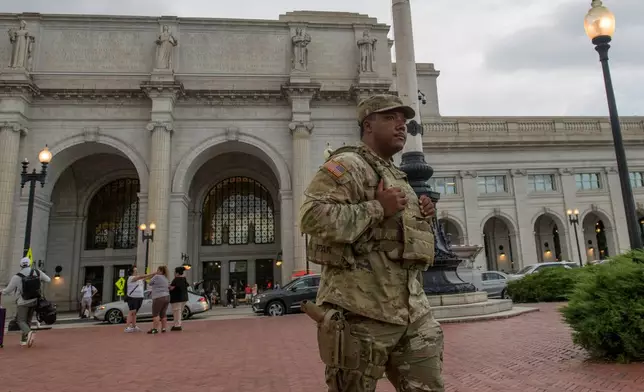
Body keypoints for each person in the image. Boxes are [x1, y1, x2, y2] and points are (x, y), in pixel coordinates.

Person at [299, 94, 444, 392]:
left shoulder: (396, 174)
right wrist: (377, 208)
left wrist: (425, 214)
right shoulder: (346, 165)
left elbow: (399, 234)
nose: (401, 125)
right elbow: (312, 217)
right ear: (368, 125)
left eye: (403, 120)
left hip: (412, 312)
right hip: (361, 312)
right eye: (391, 118)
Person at [0, 257, 51, 347]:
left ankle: (29, 332)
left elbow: (8, 290)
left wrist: (1, 291)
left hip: (23, 301)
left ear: (20, 265)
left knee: (20, 320)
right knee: (28, 320)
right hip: (35, 300)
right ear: (30, 264)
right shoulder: (37, 272)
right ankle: (24, 340)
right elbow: (48, 279)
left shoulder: (17, 276)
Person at [124, 266, 150, 333]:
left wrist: (154, 275)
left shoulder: (139, 279)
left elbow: (146, 278)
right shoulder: (131, 278)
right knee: (131, 312)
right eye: (135, 270)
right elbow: (141, 276)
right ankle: (127, 327)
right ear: (132, 272)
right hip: (132, 297)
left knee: (135, 313)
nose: (137, 272)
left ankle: (134, 326)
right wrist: (153, 273)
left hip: (139, 297)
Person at [148, 265, 170, 334]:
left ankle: (155, 329)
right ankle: (163, 328)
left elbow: (150, 283)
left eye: (157, 270)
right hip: (167, 296)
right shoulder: (166, 278)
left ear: (160, 271)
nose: (156, 271)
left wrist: (154, 275)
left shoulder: (157, 276)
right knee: (163, 313)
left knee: (156, 314)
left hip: (158, 297)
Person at [169, 266, 189, 331]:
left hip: (176, 298)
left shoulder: (176, 279)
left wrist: (168, 287)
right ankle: (178, 324)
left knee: (176, 312)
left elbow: (172, 288)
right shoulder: (184, 279)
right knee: (179, 312)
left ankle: (177, 325)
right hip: (184, 298)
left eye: (174, 272)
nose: (174, 273)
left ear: (177, 273)